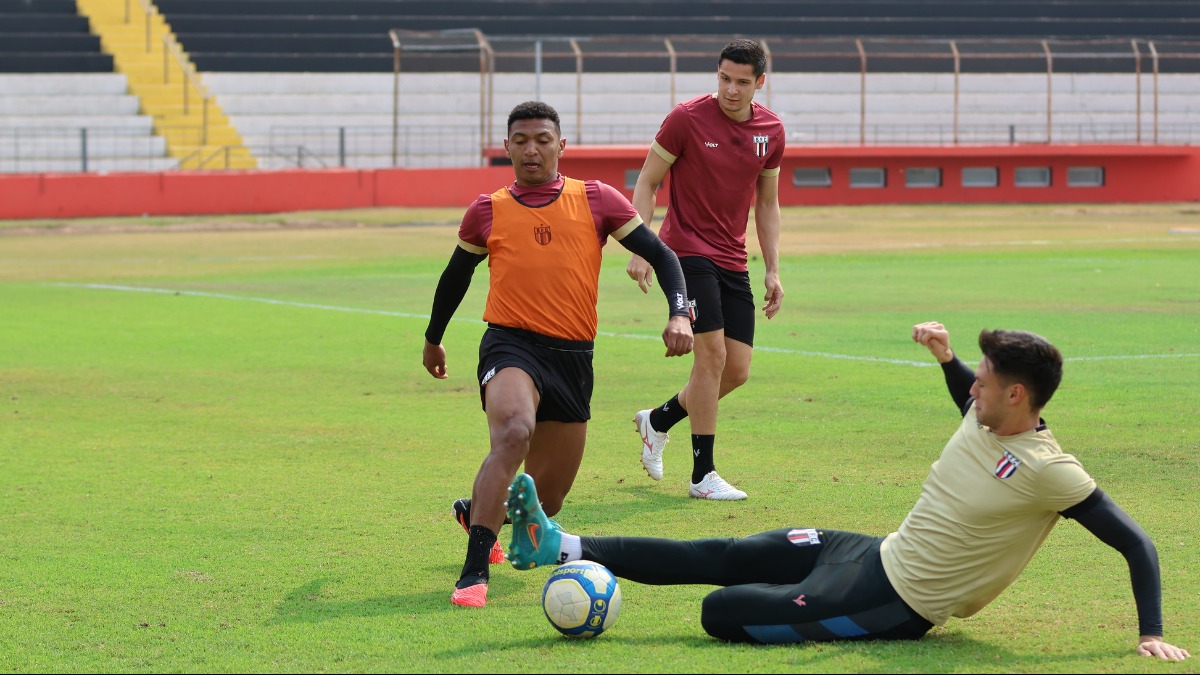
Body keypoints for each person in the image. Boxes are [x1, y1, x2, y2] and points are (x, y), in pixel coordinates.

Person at [500, 321, 1191, 660]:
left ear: (1016, 394)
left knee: (721, 611)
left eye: (982, 377)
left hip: (892, 602)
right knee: (728, 551)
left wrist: (1151, 632)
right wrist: (948, 360)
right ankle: (557, 543)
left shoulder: (1048, 468)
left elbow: (1135, 541)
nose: (971, 385)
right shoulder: (985, 416)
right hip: (865, 552)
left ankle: (575, 551)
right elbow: (967, 396)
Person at [422, 101, 694, 608]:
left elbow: (663, 255)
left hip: (573, 356)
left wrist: (680, 313)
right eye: (521, 140)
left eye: (542, 139)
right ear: (506, 148)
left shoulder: (597, 200)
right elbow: (455, 277)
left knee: (547, 503)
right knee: (513, 432)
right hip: (510, 343)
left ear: (561, 146)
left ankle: (479, 509)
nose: (531, 149)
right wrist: (434, 336)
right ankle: (473, 572)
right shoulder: (488, 209)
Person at [625, 38, 786, 500]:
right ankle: (703, 475)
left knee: (736, 370)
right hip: (684, 253)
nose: (730, 90)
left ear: (759, 82)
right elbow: (648, 181)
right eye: (723, 79)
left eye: (741, 82)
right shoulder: (686, 118)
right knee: (710, 358)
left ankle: (657, 421)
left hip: (734, 258)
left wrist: (772, 269)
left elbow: (768, 204)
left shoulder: (771, 131)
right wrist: (641, 246)